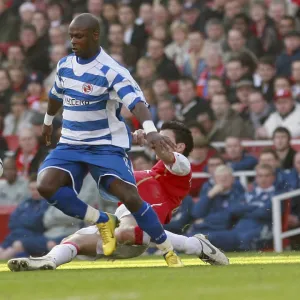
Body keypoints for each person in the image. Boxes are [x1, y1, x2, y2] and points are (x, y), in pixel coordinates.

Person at [37, 13, 183, 267]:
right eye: (71, 35)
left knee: (130, 197)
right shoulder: (65, 65)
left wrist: (150, 129)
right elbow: (55, 95)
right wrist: (48, 121)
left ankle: (168, 250)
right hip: (71, 143)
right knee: (45, 185)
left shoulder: (112, 71)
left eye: (79, 36)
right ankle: (102, 220)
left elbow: (136, 103)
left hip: (105, 145)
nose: (73, 41)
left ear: (95, 36)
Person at [7, 122, 229, 271]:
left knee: (124, 230)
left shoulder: (181, 165)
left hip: (139, 225)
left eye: (163, 137)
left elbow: (165, 154)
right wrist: (129, 139)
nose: (157, 139)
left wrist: (150, 138)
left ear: (179, 146)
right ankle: (48, 261)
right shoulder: (153, 171)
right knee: (75, 240)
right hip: (125, 221)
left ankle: (195, 245)